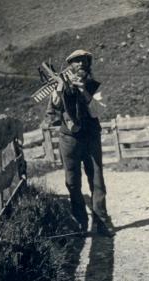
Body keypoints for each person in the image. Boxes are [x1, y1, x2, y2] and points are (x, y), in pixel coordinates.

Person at [46, 49, 115, 237]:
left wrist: (83, 90)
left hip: (91, 136)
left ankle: (101, 221)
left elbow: (97, 112)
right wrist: (60, 88)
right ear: (70, 66)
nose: (82, 64)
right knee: (72, 181)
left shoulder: (94, 85)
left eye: (85, 61)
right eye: (77, 62)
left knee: (97, 179)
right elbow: (55, 107)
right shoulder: (59, 85)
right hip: (69, 139)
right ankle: (80, 223)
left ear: (89, 64)